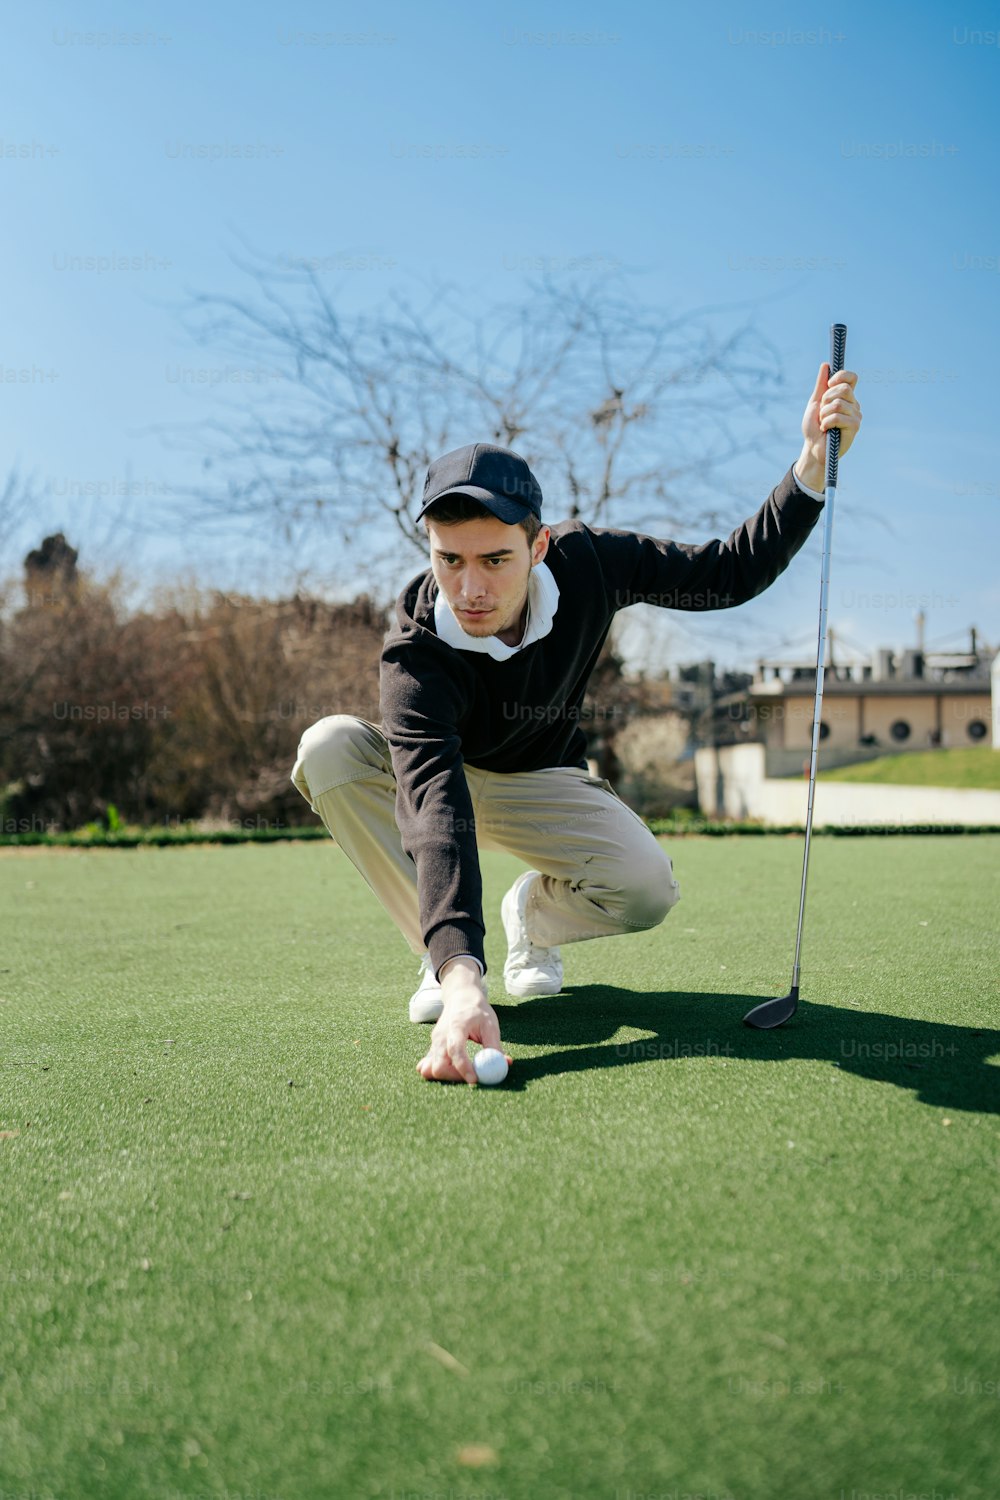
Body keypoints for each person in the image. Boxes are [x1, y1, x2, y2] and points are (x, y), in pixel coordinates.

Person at [291, 361, 862, 1085]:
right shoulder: (415, 649)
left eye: (496, 560)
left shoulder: (592, 563)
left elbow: (726, 573)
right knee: (329, 747)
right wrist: (464, 978)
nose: (470, 588)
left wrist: (811, 464)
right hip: (445, 784)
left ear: (538, 546)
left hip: (543, 782)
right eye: (450, 560)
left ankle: (529, 915)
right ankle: (448, 960)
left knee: (649, 888)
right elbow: (434, 805)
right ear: (429, 550)